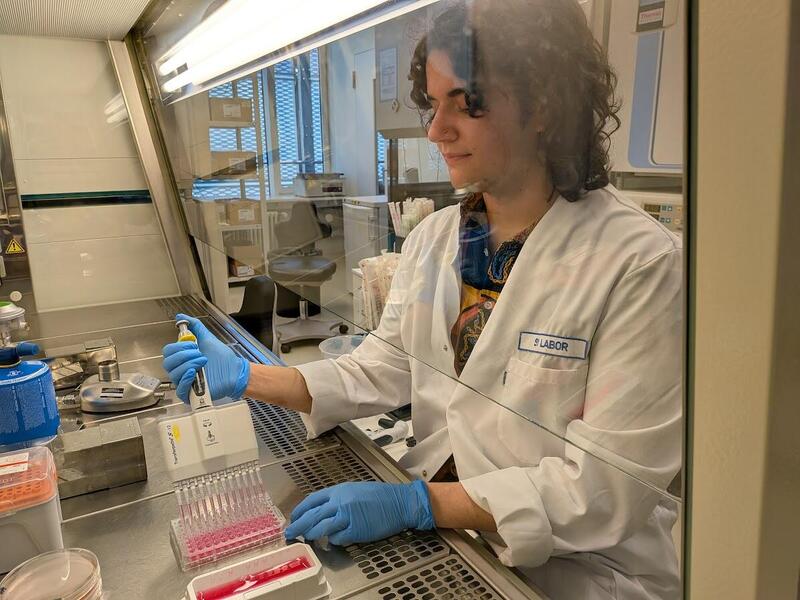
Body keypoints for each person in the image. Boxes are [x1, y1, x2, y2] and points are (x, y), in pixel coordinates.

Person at [163, 1, 682, 598]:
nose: (436, 130)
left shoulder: (639, 261)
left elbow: (605, 490)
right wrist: (247, 376)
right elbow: (381, 367)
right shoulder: (436, 238)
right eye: (434, 104)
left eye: (466, 102)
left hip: (578, 574)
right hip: (460, 542)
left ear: (543, 103)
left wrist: (417, 504)